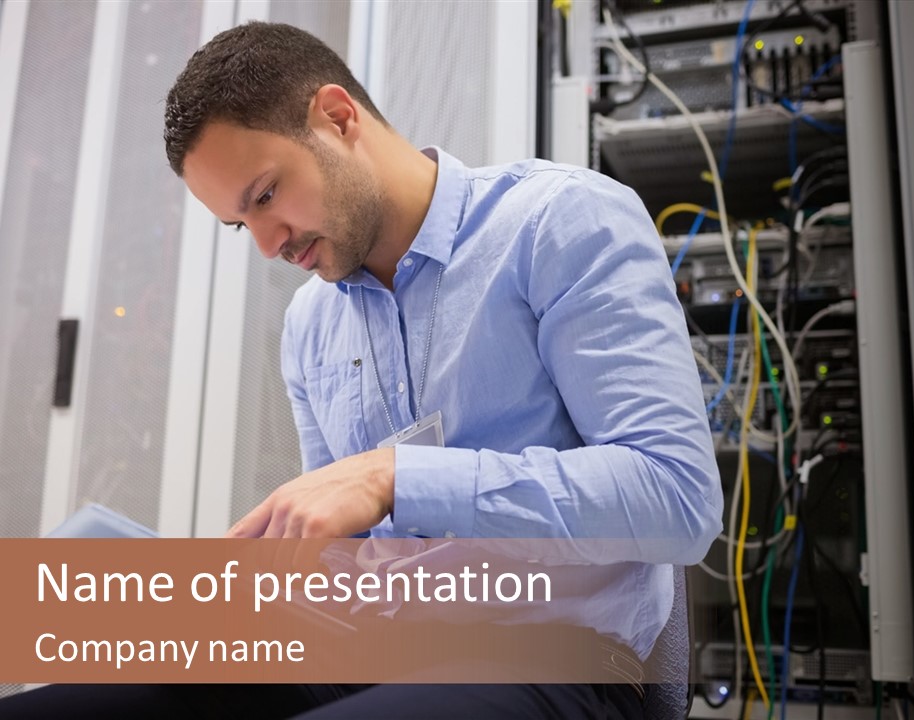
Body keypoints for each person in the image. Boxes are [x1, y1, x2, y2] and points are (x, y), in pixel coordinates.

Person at [1, 20, 721, 720]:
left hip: (554, 660)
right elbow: (349, 565)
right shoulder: (310, 327)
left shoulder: (559, 222)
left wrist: (395, 477)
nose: (267, 244)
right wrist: (233, 587)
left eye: (265, 196)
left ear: (337, 117)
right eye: (239, 224)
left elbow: (678, 502)